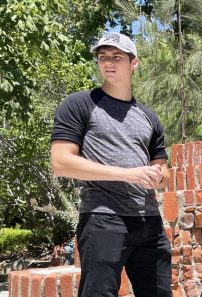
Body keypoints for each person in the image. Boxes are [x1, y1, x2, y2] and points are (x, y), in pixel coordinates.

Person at [50, 33, 172, 297]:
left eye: (117, 56)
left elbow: (164, 172)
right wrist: (127, 174)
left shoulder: (149, 118)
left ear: (134, 63)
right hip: (102, 218)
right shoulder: (79, 104)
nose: (108, 62)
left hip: (149, 222)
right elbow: (61, 162)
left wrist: (157, 177)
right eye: (102, 56)